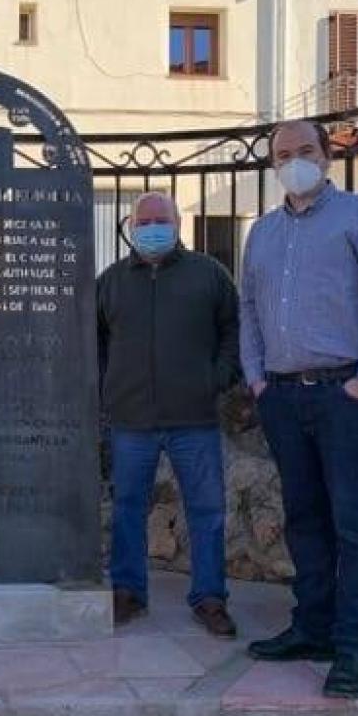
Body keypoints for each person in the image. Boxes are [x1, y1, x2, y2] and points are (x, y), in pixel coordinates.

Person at [240, 119, 358, 699]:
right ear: (272, 165)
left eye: (305, 151)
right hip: (284, 399)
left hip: (346, 397)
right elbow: (249, 312)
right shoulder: (261, 233)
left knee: (356, 527)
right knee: (304, 520)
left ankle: (357, 648)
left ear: (327, 156)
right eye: (283, 154)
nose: (295, 161)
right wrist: (258, 379)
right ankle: (312, 627)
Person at [97, 191, 240, 637]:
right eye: (145, 220)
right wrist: (108, 385)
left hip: (193, 417)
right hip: (130, 418)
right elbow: (94, 340)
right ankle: (128, 592)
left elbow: (234, 330)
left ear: (178, 223)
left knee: (207, 510)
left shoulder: (209, 274)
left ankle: (210, 597)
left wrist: (216, 378)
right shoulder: (111, 281)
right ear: (131, 226)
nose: (153, 227)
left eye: (162, 218)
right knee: (127, 508)